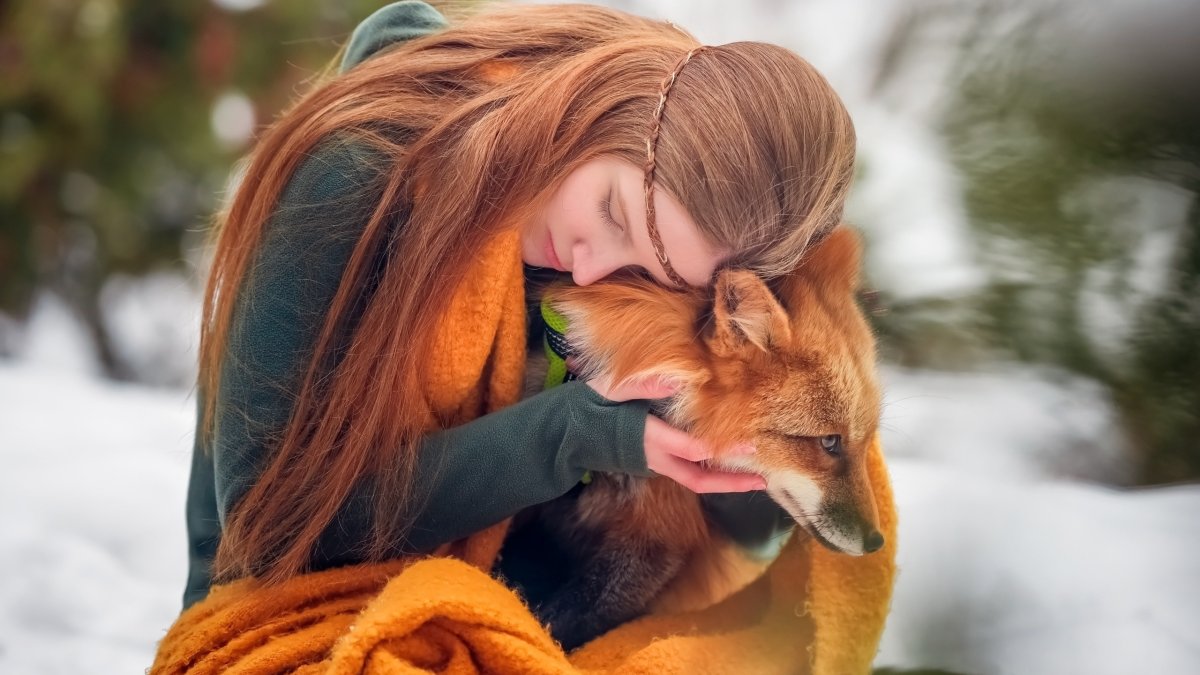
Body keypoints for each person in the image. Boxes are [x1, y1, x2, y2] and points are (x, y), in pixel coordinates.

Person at [182, 0, 856, 611]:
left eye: (642, 268)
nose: (592, 268)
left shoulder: (575, 243)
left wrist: (787, 400)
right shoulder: (358, 168)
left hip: (489, 601)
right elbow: (266, 534)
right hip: (280, 617)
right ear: (605, 107)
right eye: (613, 214)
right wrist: (570, 433)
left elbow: (754, 527)